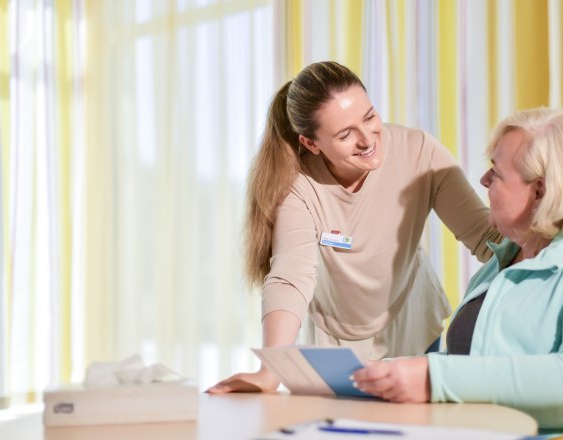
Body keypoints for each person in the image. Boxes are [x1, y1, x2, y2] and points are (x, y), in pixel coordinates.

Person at [351, 108, 563, 437]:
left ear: (540, 191)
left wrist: (434, 378)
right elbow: (480, 363)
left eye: (496, 172)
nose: (483, 180)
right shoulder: (507, 256)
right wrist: (389, 373)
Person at [207, 61, 502, 394]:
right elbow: (291, 276)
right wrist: (268, 371)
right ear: (312, 144)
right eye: (345, 135)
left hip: (414, 327)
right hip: (337, 350)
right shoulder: (298, 188)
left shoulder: (419, 153)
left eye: (370, 117)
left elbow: (487, 238)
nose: (367, 139)